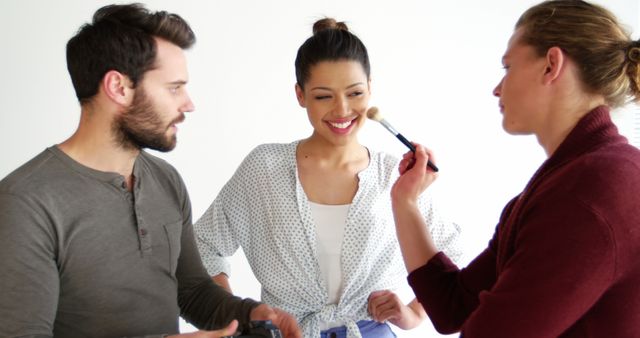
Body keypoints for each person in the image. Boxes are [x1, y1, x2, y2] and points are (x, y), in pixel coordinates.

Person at [0, 4, 300, 338]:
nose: (188, 103)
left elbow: (192, 292)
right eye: (174, 87)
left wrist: (251, 314)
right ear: (119, 87)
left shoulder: (166, 181)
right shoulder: (24, 202)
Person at [193, 18, 462, 338]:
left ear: (370, 89)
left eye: (355, 93)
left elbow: (451, 251)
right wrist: (237, 317)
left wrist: (413, 314)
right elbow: (204, 245)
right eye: (323, 96)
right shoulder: (264, 168)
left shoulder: (395, 175)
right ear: (300, 94)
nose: (342, 110)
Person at [390, 1, 640, 337]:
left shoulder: (590, 191)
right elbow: (454, 307)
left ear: (551, 65)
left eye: (507, 67)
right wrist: (405, 202)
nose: (497, 88)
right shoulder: (569, 181)